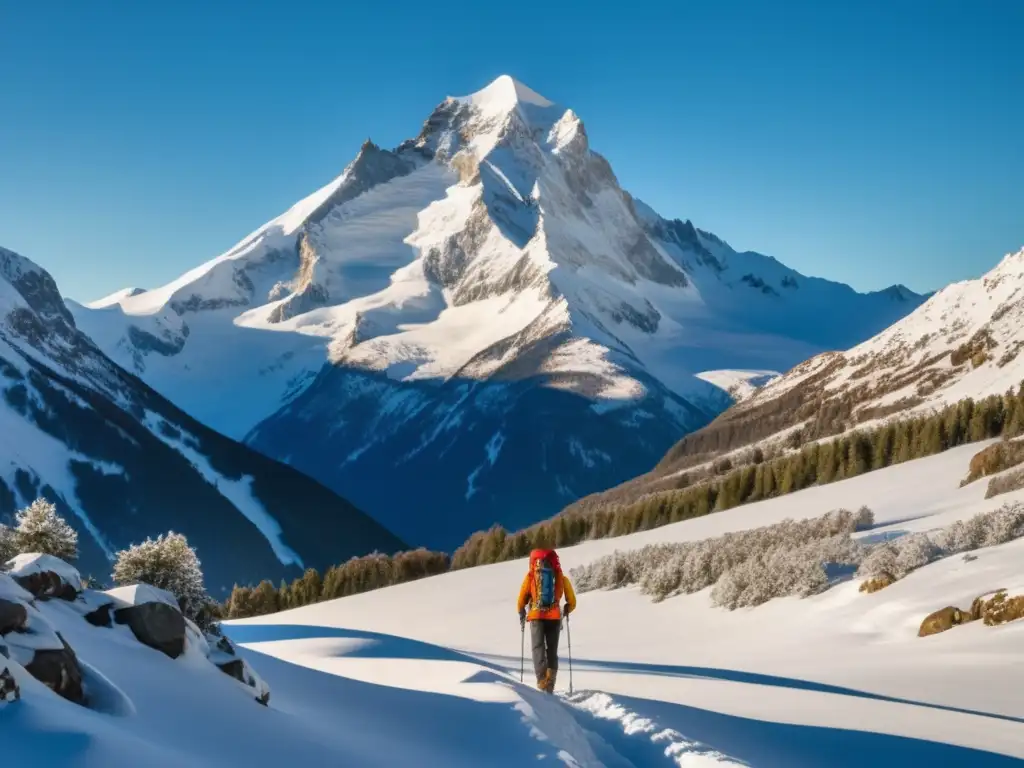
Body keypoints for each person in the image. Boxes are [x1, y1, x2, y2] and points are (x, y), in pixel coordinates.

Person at [516, 548, 576, 693]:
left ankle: (541, 681)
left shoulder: (531, 576)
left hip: (536, 616)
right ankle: (550, 684)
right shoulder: (561, 577)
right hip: (554, 617)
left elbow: (521, 599)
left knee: (538, 648)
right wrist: (567, 608)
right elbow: (572, 601)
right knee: (552, 650)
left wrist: (522, 613)